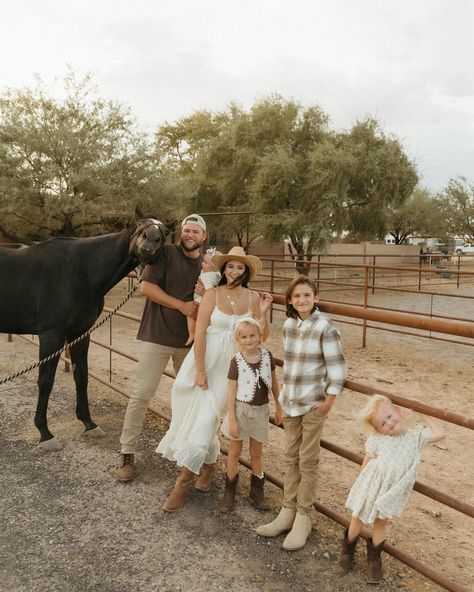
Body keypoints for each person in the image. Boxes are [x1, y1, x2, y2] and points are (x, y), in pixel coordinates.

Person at [156, 246, 274, 512]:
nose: (234, 271)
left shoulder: (254, 297)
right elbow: (199, 332)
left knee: (209, 417)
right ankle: (208, 466)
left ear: (246, 272)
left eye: (240, 267)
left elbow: (260, 337)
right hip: (206, 362)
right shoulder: (212, 294)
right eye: (230, 266)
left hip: (233, 370)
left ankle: (184, 481)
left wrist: (263, 312)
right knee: (198, 415)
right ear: (224, 269)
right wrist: (199, 370)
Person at [256, 275, 347, 551]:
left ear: (315, 298)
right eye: (296, 296)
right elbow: (290, 366)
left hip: (313, 403)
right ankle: (287, 510)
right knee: (290, 457)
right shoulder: (289, 325)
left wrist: (329, 401)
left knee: (308, 460)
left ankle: (304, 516)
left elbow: (337, 367)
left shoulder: (325, 327)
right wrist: (282, 401)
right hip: (292, 402)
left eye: (307, 295)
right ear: (291, 300)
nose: (302, 300)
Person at [116, 214, 207, 482]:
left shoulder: (208, 264)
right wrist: (181, 305)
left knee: (191, 399)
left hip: (190, 343)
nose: (190, 235)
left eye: (196, 232)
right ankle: (126, 452)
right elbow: (145, 287)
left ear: (204, 236)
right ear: (181, 233)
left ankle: (188, 455)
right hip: (156, 335)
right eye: (187, 230)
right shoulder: (165, 254)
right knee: (142, 394)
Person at [339, 394, 446, 584]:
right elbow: (368, 459)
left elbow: (440, 433)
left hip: (392, 490)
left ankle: (374, 561)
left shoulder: (415, 436)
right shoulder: (378, 438)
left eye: (389, 416)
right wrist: (360, 483)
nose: (389, 422)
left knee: (381, 522)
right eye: (383, 423)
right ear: (380, 430)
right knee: (358, 517)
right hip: (372, 485)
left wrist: (421, 410)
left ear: (397, 410)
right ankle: (347, 551)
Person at [219, 317, 283, 513]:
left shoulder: (267, 357)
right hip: (240, 410)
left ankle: (257, 491)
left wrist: (279, 406)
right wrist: (232, 418)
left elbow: (273, 383)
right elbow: (231, 392)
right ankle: (229, 490)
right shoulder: (236, 362)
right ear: (238, 340)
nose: (249, 340)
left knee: (256, 452)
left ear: (260, 336)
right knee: (235, 451)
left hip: (261, 412)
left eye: (252, 335)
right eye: (244, 337)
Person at [185, 247, 222, 346]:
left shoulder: (211, 276)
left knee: (190, 314)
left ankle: (192, 334)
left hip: (202, 300)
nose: (202, 264)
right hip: (201, 298)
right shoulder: (208, 272)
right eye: (203, 261)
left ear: (214, 267)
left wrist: (204, 294)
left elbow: (209, 290)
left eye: (205, 262)